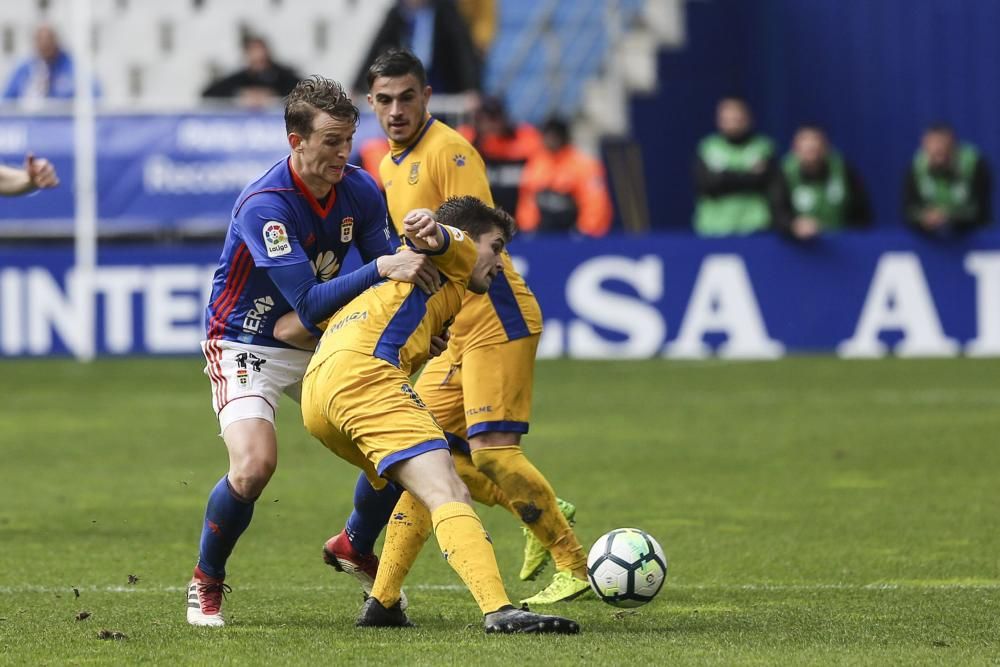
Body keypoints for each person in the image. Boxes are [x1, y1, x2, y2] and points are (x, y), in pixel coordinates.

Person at [322, 49, 591, 609]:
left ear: (427, 96)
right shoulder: (387, 164)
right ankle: (383, 597)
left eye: (408, 97)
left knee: (492, 452)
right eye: (385, 100)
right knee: (419, 457)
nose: (397, 110)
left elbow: (484, 241)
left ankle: (574, 564)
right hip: (449, 327)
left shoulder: (450, 150)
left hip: (492, 310)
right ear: (371, 103)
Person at [185, 75, 441, 628]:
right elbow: (305, 300)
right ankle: (206, 579)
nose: (343, 153)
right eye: (330, 141)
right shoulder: (266, 206)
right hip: (245, 339)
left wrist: (423, 325)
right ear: (295, 139)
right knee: (254, 469)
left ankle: (354, 542)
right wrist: (380, 267)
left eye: (348, 139)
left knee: (392, 439)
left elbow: (389, 279)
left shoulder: (360, 189)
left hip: (314, 334)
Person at [290, 196, 580, 634]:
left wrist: (427, 337)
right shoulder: (460, 254)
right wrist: (429, 226)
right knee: (449, 489)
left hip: (319, 395)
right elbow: (446, 237)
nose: (500, 263)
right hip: (366, 378)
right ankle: (499, 610)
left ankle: (383, 602)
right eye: (497, 247)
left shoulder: (418, 289)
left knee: (419, 483)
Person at [353, 0, 481, 96]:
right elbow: (376, 49)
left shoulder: (445, 10)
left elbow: (462, 50)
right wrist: (357, 87)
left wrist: (471, 88)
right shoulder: (398, 13)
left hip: (440, 87)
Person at [693, 96, 780, 236]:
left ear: (748, 119)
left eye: (737, 118)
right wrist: (749, 176)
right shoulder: (708, 147)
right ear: (719, 120)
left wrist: (723, 176)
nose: (733, 123)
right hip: (714, 228)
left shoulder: (762, 147)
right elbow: (707, 184)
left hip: (755, 227)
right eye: (727, 119)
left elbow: (766, 182)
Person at [516, 117, 613, 237]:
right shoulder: (536, 163)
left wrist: (584, 232)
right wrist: (529, 229)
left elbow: (595, 203)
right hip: (543, 234)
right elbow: (528, 200)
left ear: (563, 137)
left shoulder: (584, 165)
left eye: (554, 136)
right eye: (547, 135)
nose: (550, 140)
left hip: (574, 234)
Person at [776, 125, 871, 240]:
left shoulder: (842, 169)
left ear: (826, 147)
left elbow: (861, 209)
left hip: (840, 242)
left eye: (815, 144)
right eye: (806, 147)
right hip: (798, 244)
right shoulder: (785, 172)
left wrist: (852, 236)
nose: (811, 147)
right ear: (795, 149)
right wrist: (792, 225)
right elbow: (778, 210)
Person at [458, 96, 544, 216]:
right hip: (480, 218)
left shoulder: (526, 139)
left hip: (519, 214)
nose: (491, 123)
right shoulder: (465, 139)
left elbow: (543, 171)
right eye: (486, 117)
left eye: (495, 117)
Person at [903, 123, 992, 235]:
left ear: (954, 146)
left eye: (942, 147)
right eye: (933, 150)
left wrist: (949, 216)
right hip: (929, 239)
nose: (938, 152)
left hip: (972, 236)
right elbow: (908, 210)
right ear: (924, 146)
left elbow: (980, 210)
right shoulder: (916, 167)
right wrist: (924, 217)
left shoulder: (975, 165)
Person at [3, 24, 99, 105]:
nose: (45, 45)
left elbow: (95, 94)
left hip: (64, 124)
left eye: (48, 41)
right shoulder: (24, 68)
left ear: (56, 41)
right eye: (40, 41)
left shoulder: (72, 68)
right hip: (30, 124)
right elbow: (5, 100)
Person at [202, 35, 301, 108]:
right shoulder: (239, 79)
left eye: (261, 60)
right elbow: (208, 94)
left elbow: (305, 92)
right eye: (255, 61)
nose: (258, 64)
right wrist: (239, 95)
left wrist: (274, 96)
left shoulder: (283, 76)